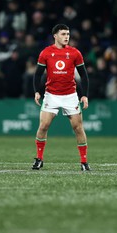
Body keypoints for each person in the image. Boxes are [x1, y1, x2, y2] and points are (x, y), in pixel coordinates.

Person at [32, 24, 90, 171]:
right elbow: (38, 74)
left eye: (68, 34)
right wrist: (37, 91)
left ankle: (84, 162)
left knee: (78, 128)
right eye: (63, 34)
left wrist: (84, 95)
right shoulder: (46, 53)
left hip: (70, 95)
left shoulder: (75, 53)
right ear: (55, 36)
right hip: (51, 95)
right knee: (43, 126)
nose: (67, 37)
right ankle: (39, 159)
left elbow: (83, 75)